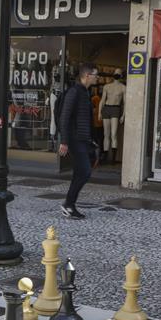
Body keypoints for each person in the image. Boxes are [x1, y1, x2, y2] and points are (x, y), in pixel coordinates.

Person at [58, 63, 99, 220]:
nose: (97, 78)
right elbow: (64, 117)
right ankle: (68, 203)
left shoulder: (85, 93)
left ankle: (69, 204)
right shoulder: (74, 92)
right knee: (85, 172)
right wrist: (64, 141)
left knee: (80, 172)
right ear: (87, 76)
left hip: (83, 139)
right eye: (96, 75)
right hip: (75, 140)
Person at [99, 68, 126, 162]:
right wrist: (99, 112)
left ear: (121, 75)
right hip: (106, 108)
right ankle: (106, 157)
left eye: (118, 73)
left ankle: (113, 159)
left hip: (116, 109)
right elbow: (102, 100)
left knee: (113, 134)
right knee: (106, 134)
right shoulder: (107, 86)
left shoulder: (123, 87)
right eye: (115, 72)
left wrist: (123, 115)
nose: (117, 74)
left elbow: (125, 102)